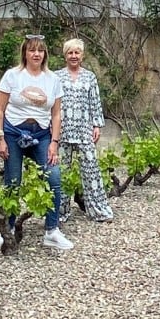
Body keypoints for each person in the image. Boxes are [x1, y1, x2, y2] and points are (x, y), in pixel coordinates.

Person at [0, 34, 72, 250]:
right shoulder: (12, 75)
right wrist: (0, 138)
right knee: (13, 180)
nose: (36, 54)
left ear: (45, 54)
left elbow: (56, 114)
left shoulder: (53, 79)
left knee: (54, 177)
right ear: (25, 53)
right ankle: (7, 228)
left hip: (42, 135)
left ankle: (52, 230)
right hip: (13, 132)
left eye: (40, 50)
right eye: (32, 50)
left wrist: (54, 143)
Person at [57, 38, 113, 222]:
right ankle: (59, 212)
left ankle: (98, 210)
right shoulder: (56, 77)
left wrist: (96, 125)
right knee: (61, 172)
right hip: (62, 131)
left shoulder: (90, 77)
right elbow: (52, 104)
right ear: (65, 55)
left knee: (91, 171)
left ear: (82, 55)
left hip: (84, 130)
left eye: (77, 52)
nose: (74, 56)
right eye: (70, 53)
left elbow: (95, 102)